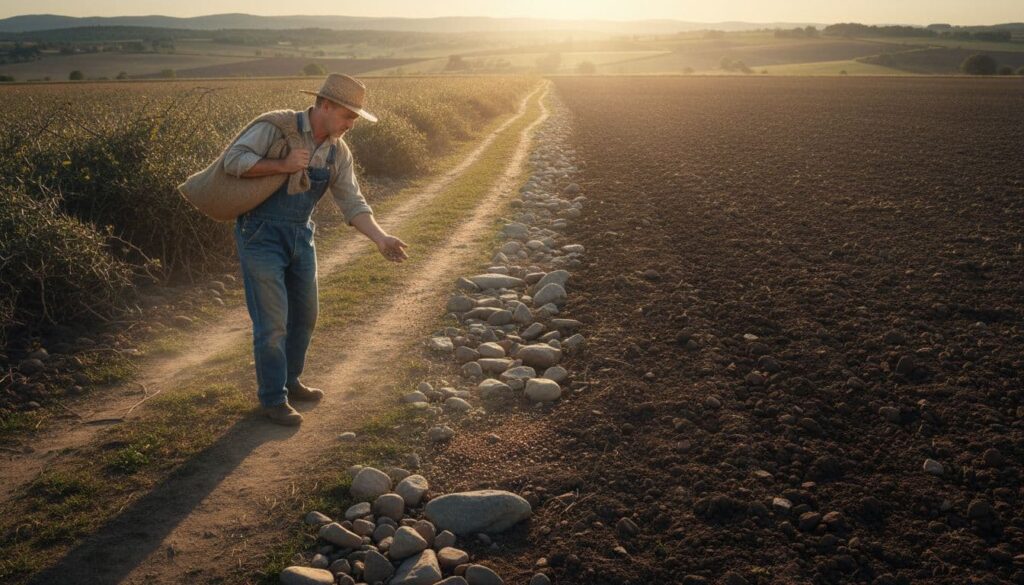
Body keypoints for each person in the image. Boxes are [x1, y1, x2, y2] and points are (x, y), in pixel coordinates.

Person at [223, 73, 408, 426]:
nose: (352, 124)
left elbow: (352, 201)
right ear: (325, 105)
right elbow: (233, 160)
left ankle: (291, 382)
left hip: (300, 236)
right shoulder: (276, 128)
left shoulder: (338, 150)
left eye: (355, 117)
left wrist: (381, 238)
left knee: (305, 316)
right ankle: (273, 398)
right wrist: (283, 165)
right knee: (273, 323)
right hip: (259, 234)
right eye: (348, 115)